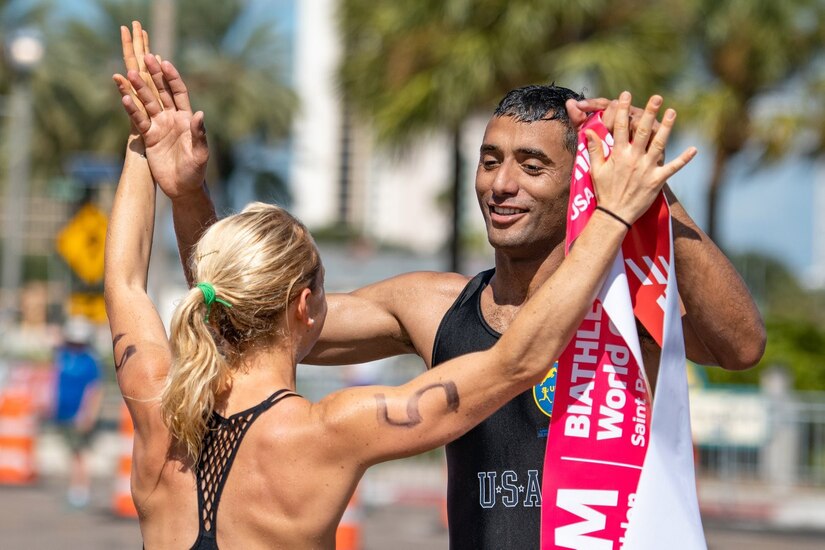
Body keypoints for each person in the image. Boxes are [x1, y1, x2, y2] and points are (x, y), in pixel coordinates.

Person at [118, 23, 765, 548]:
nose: (500, 184)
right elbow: (252, 310)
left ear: (582, 181)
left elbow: (739, 347)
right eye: (489, 161)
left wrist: (652, 192)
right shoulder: (431, 305)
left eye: (530, 165)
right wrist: (189, 192)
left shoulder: (621, 313)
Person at [52, 315, 103, 508]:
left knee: (79, 453)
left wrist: (88, 414)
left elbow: (95, 390)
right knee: (72, 453)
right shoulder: (63, 356)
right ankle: (76, 488)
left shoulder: (90, 361)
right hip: (64, 413)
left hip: (80, 415)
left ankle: (80, 490)